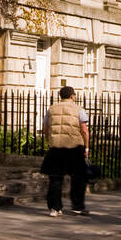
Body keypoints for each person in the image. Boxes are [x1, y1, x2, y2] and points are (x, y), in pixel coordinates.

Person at [41, 85, 90, 216]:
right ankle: (78, 206)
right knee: (78, 178)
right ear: (72, 96)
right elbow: (84, 130)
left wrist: (49, 141)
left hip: (56, 147)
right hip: (74, 147)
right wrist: (86, 147)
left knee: (55, 178)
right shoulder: (79, 109)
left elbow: (45, 127)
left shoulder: (51, 109)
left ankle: (55, 208)